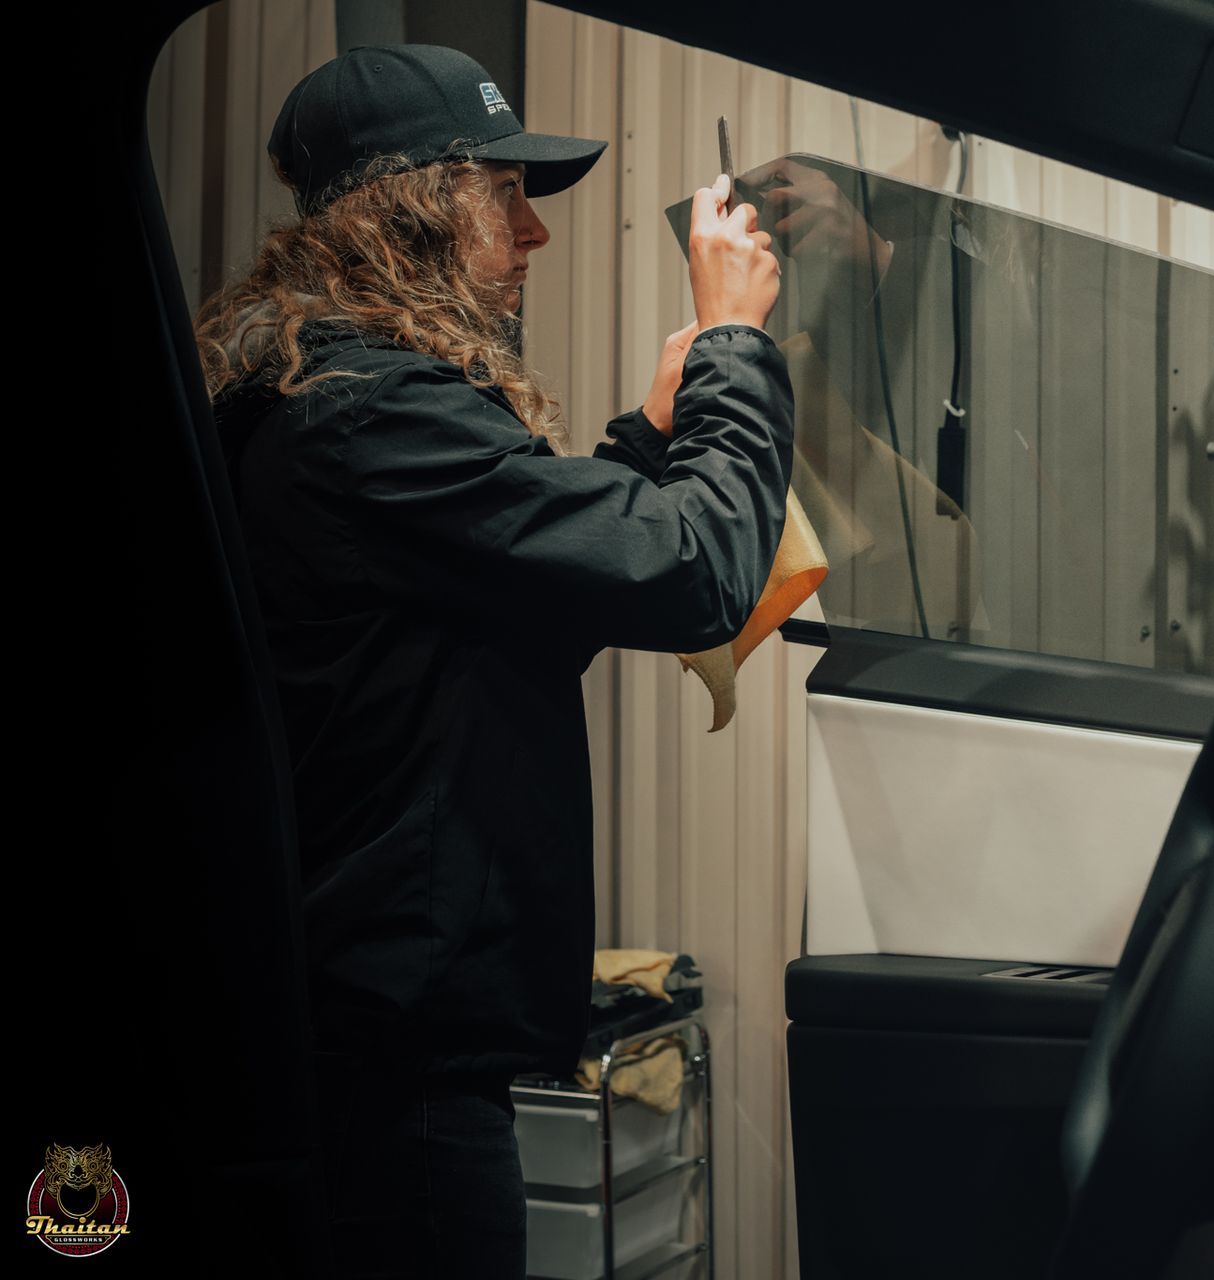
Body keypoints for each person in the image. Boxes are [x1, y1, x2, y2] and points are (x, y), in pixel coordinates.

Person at [194, 43, 790, 1278]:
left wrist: (650, 432)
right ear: (415, 209)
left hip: (388, 1043)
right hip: (392, 1070)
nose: (534, 232)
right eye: (502, 195)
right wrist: (735, 348)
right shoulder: (366, 413)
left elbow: (522, 595)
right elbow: (692, 571)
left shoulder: (342, 393)